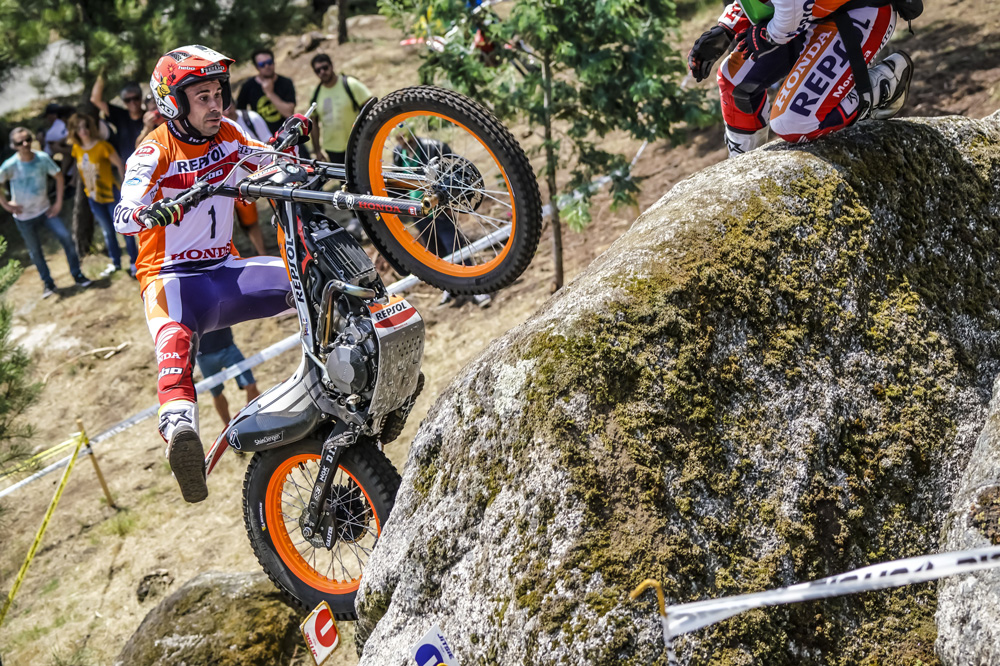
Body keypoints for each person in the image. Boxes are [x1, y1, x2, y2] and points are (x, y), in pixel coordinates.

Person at [114, 44, 307, 503]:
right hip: (172, 279)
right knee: (174, 346)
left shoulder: (231, 135)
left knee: (308, 278)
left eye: (217, 93)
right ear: (173, 103)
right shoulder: (152, 152)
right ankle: (181, 433)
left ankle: (350, 374)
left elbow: (275, 165)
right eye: (202, 96)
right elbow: (122, 214)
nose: (215, 104)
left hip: (226, 270)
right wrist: (154, 211)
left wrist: (289, 144)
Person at [687, 0, 914, 157]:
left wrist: (767, 35)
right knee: (733, 80)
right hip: (806, 15)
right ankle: (740, 170)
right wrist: (726, 28)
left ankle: (882, 84)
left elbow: (789, 16)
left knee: (793, 122)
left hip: (858, 13)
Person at [393, 131, 492, 308]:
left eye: (403, 137)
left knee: (455, 245)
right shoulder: (398, 153)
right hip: (417, 208)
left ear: (410, 133)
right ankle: (450, 287)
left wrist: (451, 201)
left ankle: (476, 287)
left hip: (439, 205)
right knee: (435, 250)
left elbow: (452, 168)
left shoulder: (432, 147)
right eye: (398, 139)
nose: (402, 142)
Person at [0, 128, 92, 298]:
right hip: (23, 217)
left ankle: (77, 275)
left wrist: (57, 202)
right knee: (35, 251)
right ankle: (48, 284)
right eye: (20, 142)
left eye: (27, 139)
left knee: (66, 238)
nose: (25, 144)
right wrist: (6, 204)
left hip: (45, 211)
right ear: (14, 146)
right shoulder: (10, 165)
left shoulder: (42, 159)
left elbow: (59, 177)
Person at [69, 112, 137, 278]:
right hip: (93, 197)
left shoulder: (102, 146)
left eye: (85, 127)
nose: (83, 131)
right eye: (79, 128)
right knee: (108, 232)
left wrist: (125, 187)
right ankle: (116, 263)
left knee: (124, 230)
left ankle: (135, 262)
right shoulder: (76, 149)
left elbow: (120, 164)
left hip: (111, 194)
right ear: (74, 131)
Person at [308, 53, 372, 164]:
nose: (322, 72)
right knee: (343, 180)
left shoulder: (350, 84)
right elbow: (313, 123)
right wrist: (317, 150)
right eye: (318, 70)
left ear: (332, 66)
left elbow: (371, 107)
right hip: (333, 148)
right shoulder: (316, 94)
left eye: (325, 67)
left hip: (358, 144)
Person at [222, 103, 268, 256]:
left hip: (265, 176)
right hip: (236, 186)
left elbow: (268, 142)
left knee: (282, 213)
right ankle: (258, 254)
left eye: (229, 105)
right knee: (247, 223)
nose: (227, 110)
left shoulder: (250, 118)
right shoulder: (216, 129)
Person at [195, 327, 261, 427]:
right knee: (216, 394)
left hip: (228, 346)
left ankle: (253, 422)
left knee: (250, 385)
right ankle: (229, 429)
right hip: (203, 355)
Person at [235, 48, 297, 134]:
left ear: (274, 62)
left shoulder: (286, 82)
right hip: (263, 138)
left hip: (286, 134)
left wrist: (270, 93)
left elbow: (288, 112)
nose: (267, 66)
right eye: (262, 64)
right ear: (257, 67)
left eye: (269, 62)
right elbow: (239, 114)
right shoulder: (248, 87)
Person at [90, 76, 145, 164]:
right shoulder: (120, 115)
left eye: (136, 98)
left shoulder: (150, 117)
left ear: (141, 97)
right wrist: (102, 74)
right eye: (128, 100)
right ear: (124, 102)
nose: (133, 102)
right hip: (127, 166)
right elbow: (95, 99)